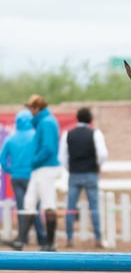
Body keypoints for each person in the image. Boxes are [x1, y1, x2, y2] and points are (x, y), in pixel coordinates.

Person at [5, 95, 60, 251]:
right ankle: (21, 240)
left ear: (37, 108)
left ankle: (50, 243)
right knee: (29, 203)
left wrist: (34, 160)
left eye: (31, 108)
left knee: (49, 204)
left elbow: (48, 148)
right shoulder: (44, 122)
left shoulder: (46, 123)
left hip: (45, 168)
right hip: (39, 168)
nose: (30, 112)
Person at [59, 107, 108, 247]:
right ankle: (98, 238)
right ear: (90, 119)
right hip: (91, 173)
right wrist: (97, 165)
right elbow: (103, 154)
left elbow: (62, 157)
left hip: (74, 174)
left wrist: (71, 168)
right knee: (94, 207)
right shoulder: (95, 133)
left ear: (77, 118)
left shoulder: (67, 134)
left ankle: (69, 239)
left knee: (70, 207)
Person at [0, 108, 46, 246]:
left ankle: (23, 238)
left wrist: (9, 169)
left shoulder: (11, 138)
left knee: (21, 208)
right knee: (35, 208)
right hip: (33, 177)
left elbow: (2, 158)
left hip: (16, 177)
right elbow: (43, 154)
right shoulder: (36, 136)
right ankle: (41, 238)